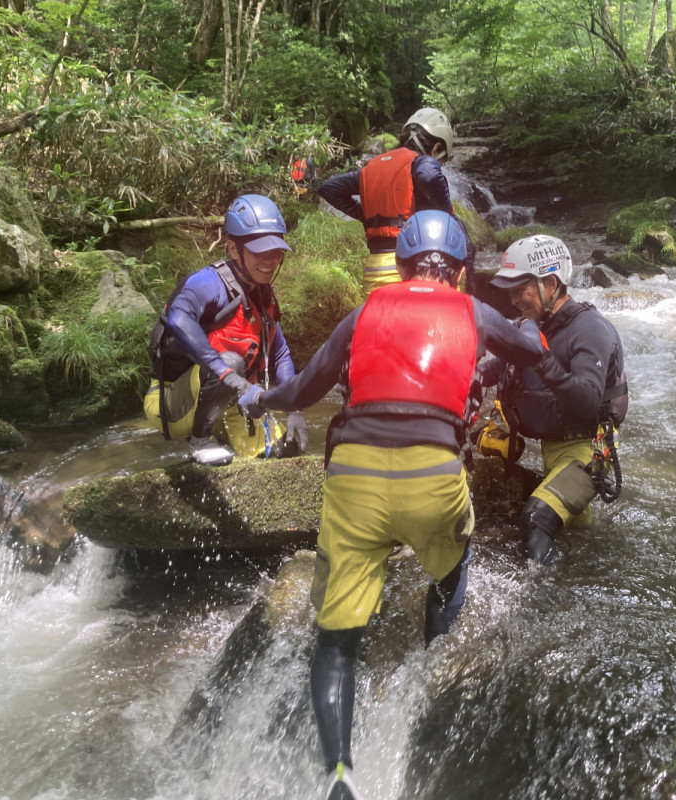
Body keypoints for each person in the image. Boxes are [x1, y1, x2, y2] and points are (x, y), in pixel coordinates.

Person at [237, 210, 546, 800]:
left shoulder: (362, 314)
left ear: (400, 267)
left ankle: (338, 775)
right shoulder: (474, 311)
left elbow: (301, 392)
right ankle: (431, 666)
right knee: (454, 563)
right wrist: (530, 323)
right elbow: (529, 349)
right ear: (457, 269)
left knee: (336, 639)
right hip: (433, 477)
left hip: (353, 477)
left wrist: (257, 398)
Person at [485, 234, 628, 565]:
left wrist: (541, 359)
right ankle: (586, 563)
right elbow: (494, 367)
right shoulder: (533, 325)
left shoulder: (589, 328)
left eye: (519, 288)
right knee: (579, 537)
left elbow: (588, 400)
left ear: (550, 283)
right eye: (509, 290)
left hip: (587, 454)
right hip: (553, 450)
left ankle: (546, 605)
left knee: (536, 521)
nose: (512, 299)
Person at [144, 193, 308, 466]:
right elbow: (178, 317)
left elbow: (280, 354)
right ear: (233, 249)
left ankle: (222, 431)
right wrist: (230, 377)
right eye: (260, 251)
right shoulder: (207, 283)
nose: (270, 260)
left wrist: (294, 409)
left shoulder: (262, 293)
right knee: (229, 361)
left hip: (231, 403)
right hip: (175, 405)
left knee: (288, 450)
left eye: (276, 251)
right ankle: (199, 439)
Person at [318, 108, 468, 295]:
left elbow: (329, 188)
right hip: (411, 266)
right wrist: (449, 214)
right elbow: (429, 176)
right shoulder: (422, 163)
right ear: (436, 148)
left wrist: (364, 216)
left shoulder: (373, 166)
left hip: (374, 269)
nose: (440, 164)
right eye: (441, 159)